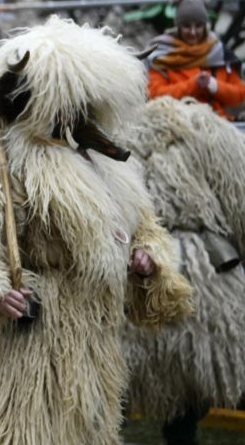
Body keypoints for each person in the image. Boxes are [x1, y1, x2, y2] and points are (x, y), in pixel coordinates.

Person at [0, 17, 193, 445]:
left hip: (92, 347)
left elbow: (144, 228)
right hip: (23, 349)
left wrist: (148, 260)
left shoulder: (106, 164)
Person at [124, 96, 245, 445]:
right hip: (192, 267)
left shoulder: (121, 141)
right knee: (195, 366)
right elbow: (238, 203)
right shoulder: (212, 135)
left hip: (163, 266)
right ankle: (180, 431)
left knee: (151, 364)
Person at [145, 0, 245, 119]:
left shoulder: (220, 54)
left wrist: (214, 85)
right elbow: (154, 95)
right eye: (187, 26)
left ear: (205, 27)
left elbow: (239, 95)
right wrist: (193, 84)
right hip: (177, 128)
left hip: (220, 129)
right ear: (178, 27)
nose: (193, 32)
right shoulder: (161, 55)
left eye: (198, 26)